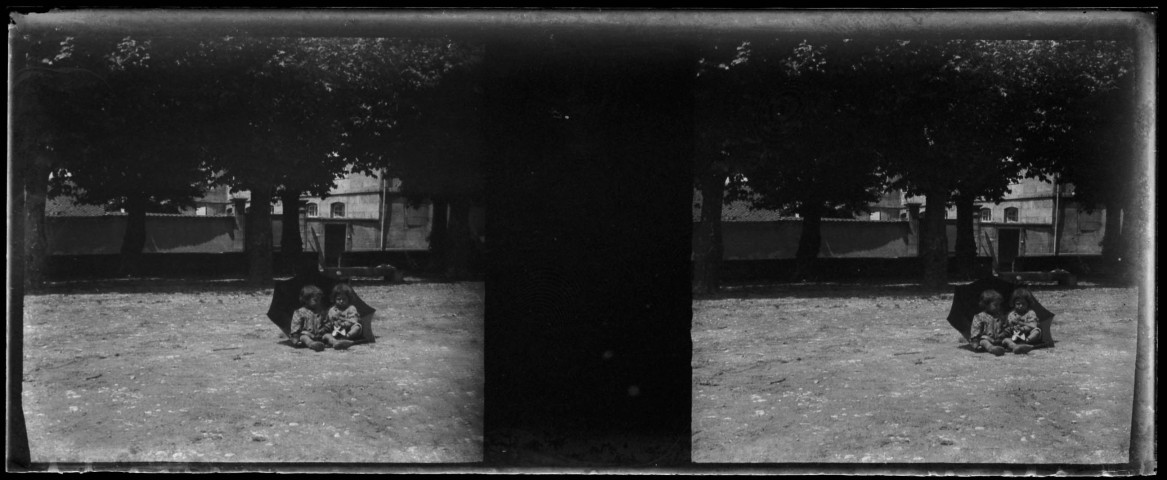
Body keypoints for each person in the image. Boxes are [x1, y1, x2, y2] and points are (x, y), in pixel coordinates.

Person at [968, 289, 1007, 356]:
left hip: (999, 339)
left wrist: (1004, 333)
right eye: (995, 305)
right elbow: (975, 330)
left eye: (999, 305)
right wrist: (975, 341)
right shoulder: (980, 316)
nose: (998, 307)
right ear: (986, 304)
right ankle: (992, 349)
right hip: (986, 338)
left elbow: (1005, 326)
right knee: (984, 342)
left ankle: (1015, 347)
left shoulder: (1000, 316)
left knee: (1007, 340)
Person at [289, 285, 328, 352]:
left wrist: (324, 329)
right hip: (305, 335)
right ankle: (312, 344)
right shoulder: (300, 312)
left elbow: (327, 322)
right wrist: (298, 335)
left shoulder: (321, 311)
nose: (318, 302)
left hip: (319, 335)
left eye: (319, 300)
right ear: (306, 300)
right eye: (315, 300)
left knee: (328, 335)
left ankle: (335, 342)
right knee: (304, 337)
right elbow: (295, 328)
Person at [323, 283, 361, 350]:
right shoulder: (332, 310)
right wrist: (332, 322)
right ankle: (334, 342)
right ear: (334, 299)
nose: (341, 301)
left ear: (349, 299)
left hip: (347, 330)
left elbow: (354, 320)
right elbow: (329, 320)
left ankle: (346, 338)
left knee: (357, 326)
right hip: (335, 331)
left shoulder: (351, 308)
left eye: (344, 299)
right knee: (326, 335)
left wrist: (344, 324)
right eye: (338, 299)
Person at [1002, 288, 1040, 354]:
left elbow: (1033, 325)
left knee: (1037, 331)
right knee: (1005, 340)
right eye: (1018, 304)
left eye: (1023, 304)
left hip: (1027, 334)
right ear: (1013, 304)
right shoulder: (1011, 314)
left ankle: (1025, 342)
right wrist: (1014, 327)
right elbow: (1011, 325)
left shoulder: (1030, 312)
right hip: (1015, 336)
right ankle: (1015, 347)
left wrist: (1023, 327)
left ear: (1028, 303)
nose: (1021, 306)